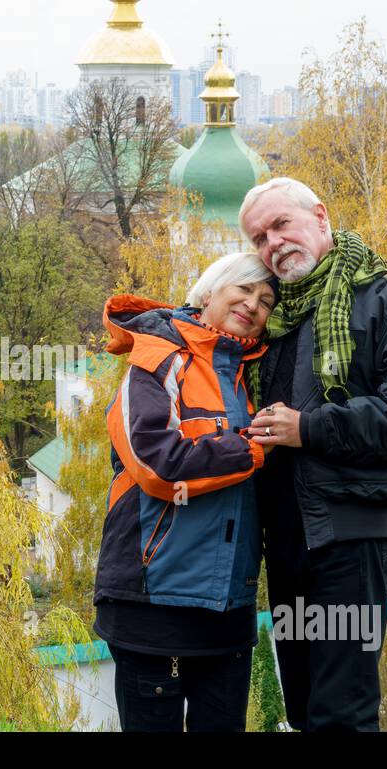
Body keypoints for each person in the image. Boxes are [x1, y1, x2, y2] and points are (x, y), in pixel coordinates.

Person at [240, 178, 387, 732]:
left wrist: (309, 429)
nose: (273, 243)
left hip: (349, 539)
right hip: (285, 545)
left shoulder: (384, 302)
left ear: (320, 215)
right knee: (306, 707)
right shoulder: (272, 315)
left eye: (281, 224)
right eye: (259, 237)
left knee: (343, 712)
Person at [93, 252, 277, 732]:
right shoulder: (158, 358)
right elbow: (157, 463)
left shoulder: (250, 374)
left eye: (266, 300)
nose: (253, 305)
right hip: (153, 604)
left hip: (227, 611)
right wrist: (248, 451)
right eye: (243, 289)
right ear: (210, 291)